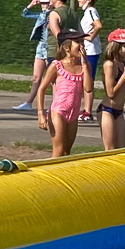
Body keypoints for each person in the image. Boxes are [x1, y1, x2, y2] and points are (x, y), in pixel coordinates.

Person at [36, 26, 88, 157]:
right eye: (78, 42)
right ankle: (50, 170)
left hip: (73, 114)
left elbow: (88, 88)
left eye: (82, 42)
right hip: (58, 112)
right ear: (66, 47)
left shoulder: (83, 67)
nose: (82, 46)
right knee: (58, 151)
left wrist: (86, 65)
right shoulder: (57, 65)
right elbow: (42, 89)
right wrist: (41, 113)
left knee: (66, 152)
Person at [14, 0, 56, 112]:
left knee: (53, 78)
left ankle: (55, 105)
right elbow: (25, 14)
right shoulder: (41, 15)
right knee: (36, 77)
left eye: (45, 3)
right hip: (41, 47)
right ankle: (29, 103)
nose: (43, 5)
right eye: (42, 3)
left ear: (50, 4)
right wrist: (31, 4)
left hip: (50, 47)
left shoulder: (53, 15)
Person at [98, 28, 125, 149]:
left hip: (119, 111)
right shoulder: (109, 65)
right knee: (110, 149)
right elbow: (110, 93)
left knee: (121, 149)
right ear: (116, 46)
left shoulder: (123, 64)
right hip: (107, 110)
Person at [77, 0, 102, 122]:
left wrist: (90, 37)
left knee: (88, 80)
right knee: (83, 79)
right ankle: (84, 110)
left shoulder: (91, 11)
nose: (79, 0)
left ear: (88, 0)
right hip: (86, 50)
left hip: (90, 51)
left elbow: (98, 25)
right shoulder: (87, 12)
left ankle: (87, 111)